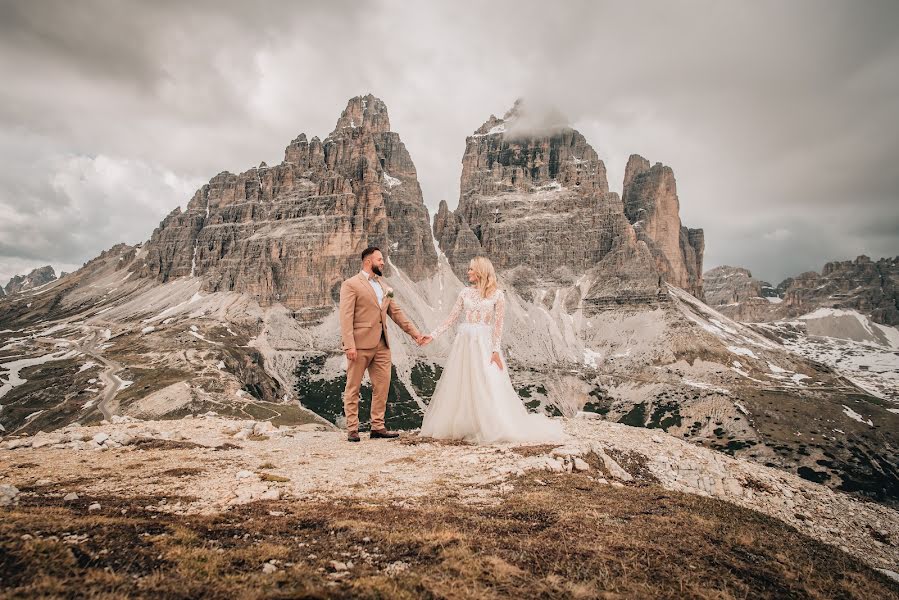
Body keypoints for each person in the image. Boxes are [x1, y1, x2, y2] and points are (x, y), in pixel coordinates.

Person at [420, 256, 565, 444]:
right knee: (463, 382)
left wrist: (495, 351)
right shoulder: (464, 293)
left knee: (486, 382)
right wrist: (432, 335)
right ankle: (466, 423)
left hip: (483, 344)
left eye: (472, 269)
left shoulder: (498, 295)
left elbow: (498, 326)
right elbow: (451, 318)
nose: (468, 272)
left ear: (481, 271)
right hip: (465, 343)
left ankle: (490, 424)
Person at [338, 246, 430, 442]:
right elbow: (345, 316)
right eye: (379, 259)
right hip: (360, 344)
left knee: (382, 386)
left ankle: (377, 427)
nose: (383, 262)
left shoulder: (383, 286)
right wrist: (349, 345)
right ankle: (352, 429)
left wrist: (415, 335)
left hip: (382, 345)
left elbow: (396, 313)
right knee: (353, 387)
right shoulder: (351, 284)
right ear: (368, 262)